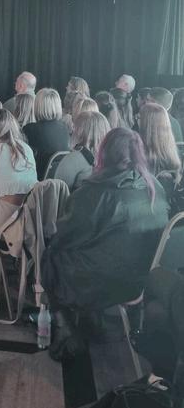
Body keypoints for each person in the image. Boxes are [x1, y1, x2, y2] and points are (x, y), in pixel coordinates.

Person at [42, 128, 169, 361]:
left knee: (51, 257)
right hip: (143, 279)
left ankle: (65, 325)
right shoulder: (155, 188)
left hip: (102, 283)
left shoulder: (93, 192)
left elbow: (63, 236)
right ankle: (93, 320)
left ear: (104, 154)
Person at [53, 111, 110, 191]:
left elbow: (57, 192)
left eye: (75, 126)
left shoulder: (73, 159)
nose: (72, 129)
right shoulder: (113, 160)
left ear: (80, 131)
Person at [23, 88, 70, 179]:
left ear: (37, 106)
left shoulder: (30, 129)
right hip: (60, 179)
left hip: (37, 178)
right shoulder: (64, 128)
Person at [138, 102, 182, 186]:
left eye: (139, 117)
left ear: (147, 125)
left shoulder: (139, 154)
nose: (135, 119)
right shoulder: (172, 154)